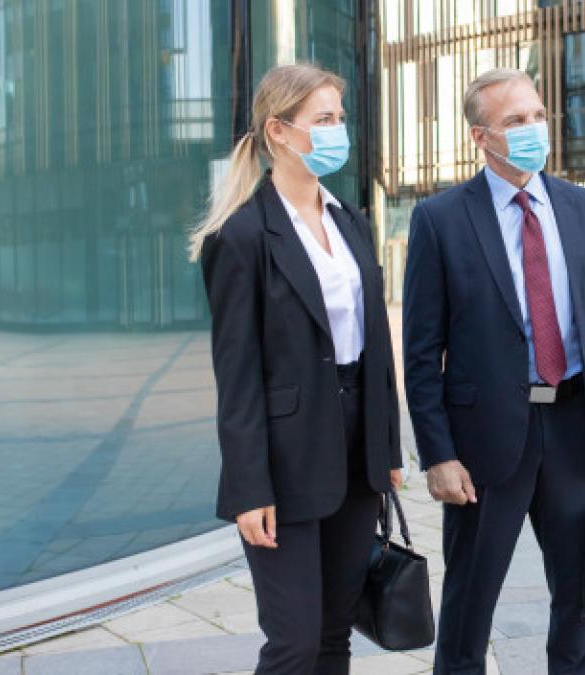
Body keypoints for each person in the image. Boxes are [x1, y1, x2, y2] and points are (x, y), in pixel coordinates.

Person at [402, 68, 585, 675]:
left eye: (538, 116)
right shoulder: (442, 219)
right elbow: (422, 353)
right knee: (468, 608)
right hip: (485, 443)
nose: (534, 129)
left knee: (581, 607)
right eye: (515, 122)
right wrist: (438, 454)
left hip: (575, 429)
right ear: (481, 138)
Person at [190, 63, 403, 675]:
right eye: (323, 119)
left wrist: (387, 445)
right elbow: (237, 377)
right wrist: (249, 487)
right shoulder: (243, 236)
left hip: (357, 455)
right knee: (293, 643)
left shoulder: (352, 221)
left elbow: (376, 348)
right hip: (284, 467)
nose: (339, 131)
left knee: (336, 634)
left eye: (340, 117)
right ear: (279, 131)